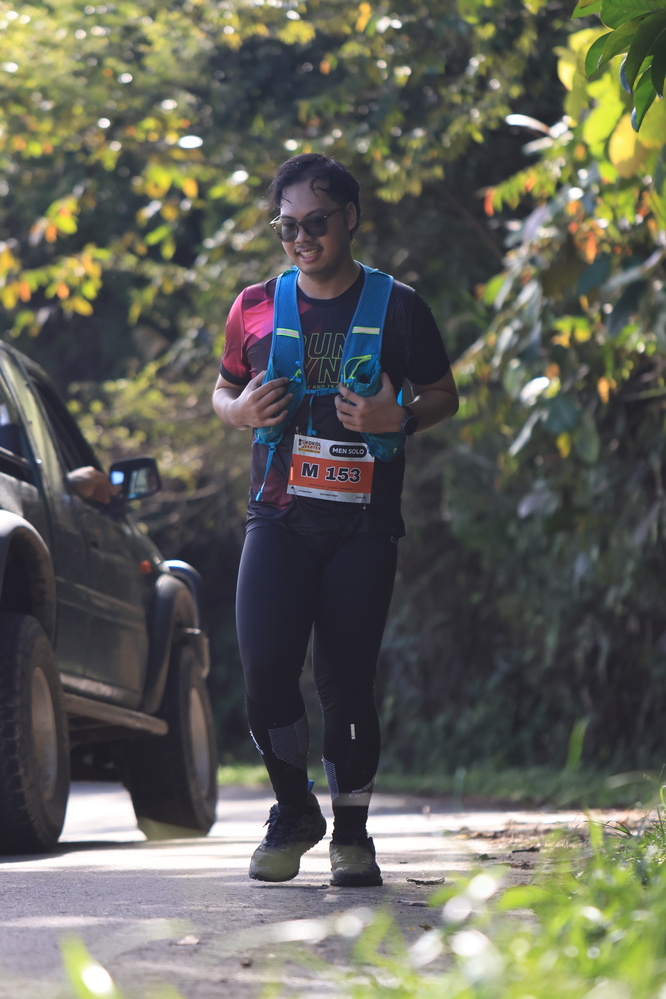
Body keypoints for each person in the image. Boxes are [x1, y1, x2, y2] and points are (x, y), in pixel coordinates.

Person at [212, 153, 458, 887]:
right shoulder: (255, 304)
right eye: (286, 226)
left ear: (350, 216)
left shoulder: (400, 306)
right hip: (277, 517)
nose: (301, 239)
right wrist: (239, 411)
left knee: (347, 681)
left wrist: (399, 417)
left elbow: (443, 392)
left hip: (363, 525)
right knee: (264, 670)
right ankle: (294, 809)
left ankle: (353, 834)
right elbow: (223, 390)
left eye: (315, 222)